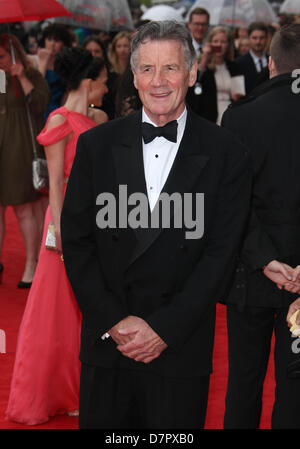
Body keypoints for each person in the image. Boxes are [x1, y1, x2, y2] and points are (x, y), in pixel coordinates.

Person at [61, 20, 251, 429]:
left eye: (171, 68)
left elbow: (221, 253)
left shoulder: (227, 152)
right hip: (109, 343)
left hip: (179, 347)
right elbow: (77, 243)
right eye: (147, 69)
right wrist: (115, 321)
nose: (158, 81)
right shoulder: (97, 145)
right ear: (133, 76)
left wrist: (163, 329)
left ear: (192, 72)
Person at [5, 47, 108, 425]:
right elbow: (55, 186)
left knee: (89, 309)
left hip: (99, 220)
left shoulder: (100, 118)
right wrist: (60, 231)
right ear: (88, 81)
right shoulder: (58, 121)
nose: (106, 88)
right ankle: (53, 393)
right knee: (55, 311)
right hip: (64, 223)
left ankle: (83, 389)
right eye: (103, 81)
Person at [222, 24, 300, 429]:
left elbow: (230, 206)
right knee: (296, 384)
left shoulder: (239, 118)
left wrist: (265, 258)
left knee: (244, 381)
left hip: (251, 275)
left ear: (270, 64)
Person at [0, 34, 50, 287]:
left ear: (13, 53)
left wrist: (21, 76)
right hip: (1, 144)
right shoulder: (0, 78)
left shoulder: (31, 75)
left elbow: (40, 103)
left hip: (20, 147)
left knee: (23, 208)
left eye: (1, 56)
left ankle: (32, 263)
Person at [199, 26, 245, 125]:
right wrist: (205, 57)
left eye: (223, 42)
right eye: (215, 41)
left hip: (230, 114)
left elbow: (239, 94)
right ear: (210, 43)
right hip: (209, 115)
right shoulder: (204, 66)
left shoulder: (234, 66)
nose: (219, 45)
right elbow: (196, 83)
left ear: (228, 45)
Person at [30, 24, 73, 120]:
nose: (52, 44)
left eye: (57, 41)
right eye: (49, 39)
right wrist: (43, 62)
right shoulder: (33, 60)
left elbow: (67, 92)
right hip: (38, 108)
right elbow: (37, 87)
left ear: (64, 43)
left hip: (58, 110)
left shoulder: (66, 64)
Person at [235, 22, 269, 95]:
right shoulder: (239, 63)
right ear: (248, 38)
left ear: (267, 39)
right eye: (254, 38)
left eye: (261, 38)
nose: (258, 41)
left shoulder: (273, 61)